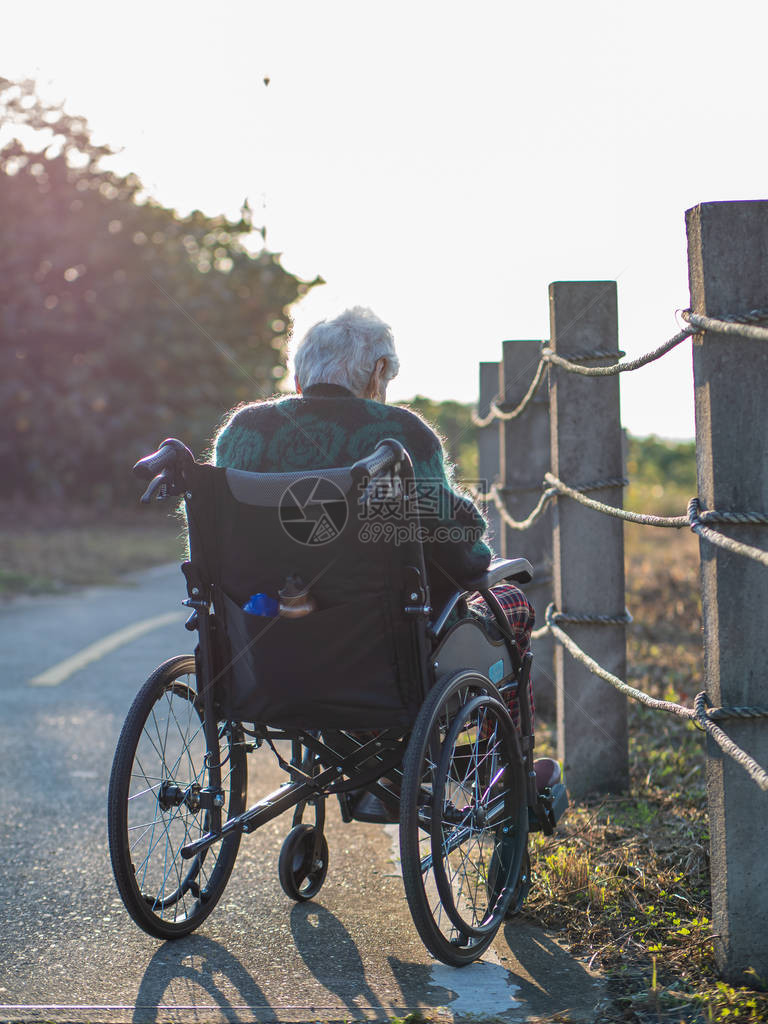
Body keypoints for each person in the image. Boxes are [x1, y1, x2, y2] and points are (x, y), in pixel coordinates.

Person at [214, 306, 560, 800]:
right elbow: (464, 560)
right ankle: (504, 775)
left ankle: (371, 760)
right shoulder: (400, 435)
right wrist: (471, 531)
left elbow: (222, 543)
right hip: (379, 659)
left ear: (298, 375)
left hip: (260, 653)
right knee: (513, 606)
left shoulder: (244, 432)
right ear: (377, 372)